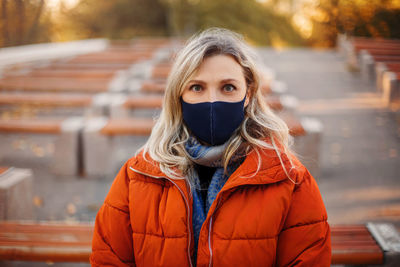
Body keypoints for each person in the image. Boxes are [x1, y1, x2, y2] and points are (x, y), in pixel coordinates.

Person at [90, 28, 331, 267]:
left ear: (248, 94)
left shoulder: (290, 179)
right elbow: (109, 259)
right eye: (197, 87)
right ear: (179, 96)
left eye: (228, 87)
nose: (212, 101)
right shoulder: (138, 176)